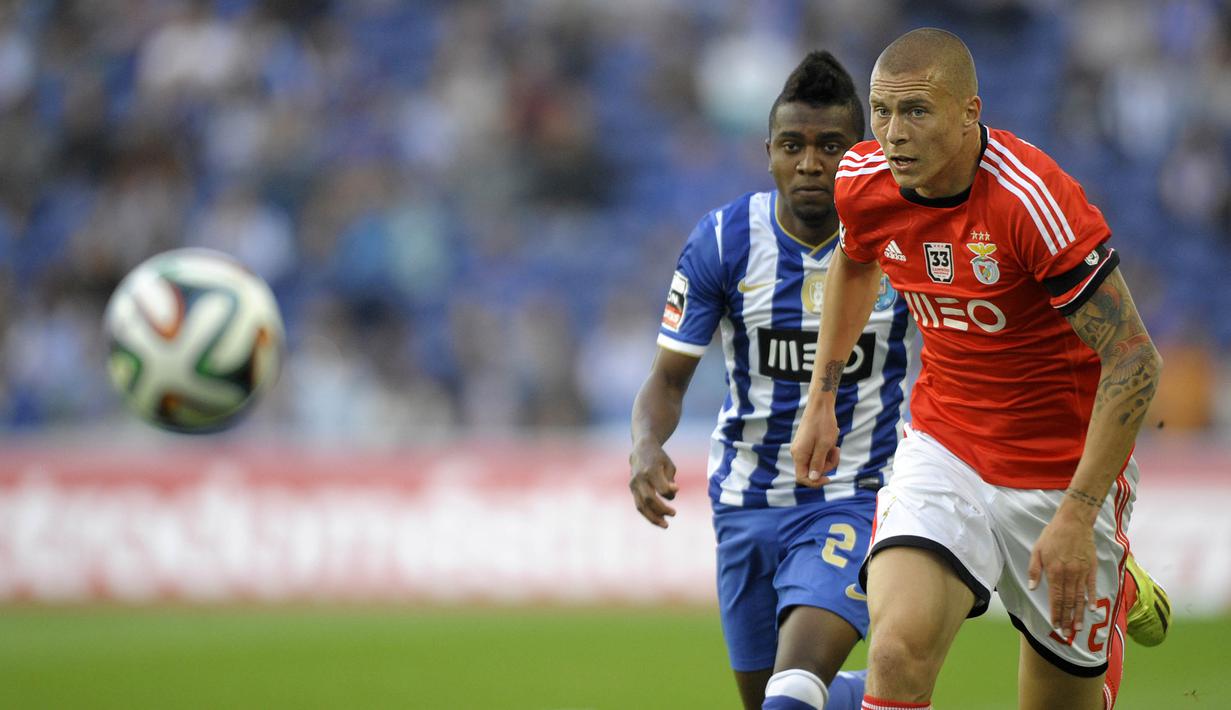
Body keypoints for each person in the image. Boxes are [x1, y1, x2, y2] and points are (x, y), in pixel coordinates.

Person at [790, 28, 1171, 710]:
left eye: (914, 112)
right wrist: (821, 395)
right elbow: (855, 259)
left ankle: (1122, 586)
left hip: (1060, 474)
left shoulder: (1032, 201)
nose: (891, 133)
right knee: (894, 651)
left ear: (970, 113)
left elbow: (1134, 359)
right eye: (880, 111)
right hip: (946, 448)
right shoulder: (864, 181)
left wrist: (1079, 516)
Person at [629, 51, 916, 710]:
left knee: (790, 696)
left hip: (853, 495)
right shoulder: (724, 242)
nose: (810, 163)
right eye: (793, 145)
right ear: (768, 153)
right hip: (744, 503)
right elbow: (667, 379)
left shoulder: (899, 239)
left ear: (863, 153)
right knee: (773, 704)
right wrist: (645, 443)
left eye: (830, 146)